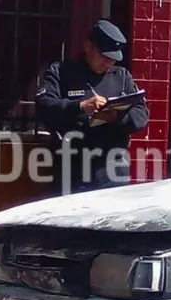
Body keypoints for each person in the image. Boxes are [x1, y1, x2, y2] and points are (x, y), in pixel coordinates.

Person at [35, 19, 149, 195]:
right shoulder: (61, 72)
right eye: (104, 57)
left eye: (112, 60)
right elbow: (43, 107)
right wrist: (80, 106)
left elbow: (141, 115)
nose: (108, 63)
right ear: (88, 46)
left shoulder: (122, 77)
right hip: (73, 166)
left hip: (112, 166)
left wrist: (115, 116)